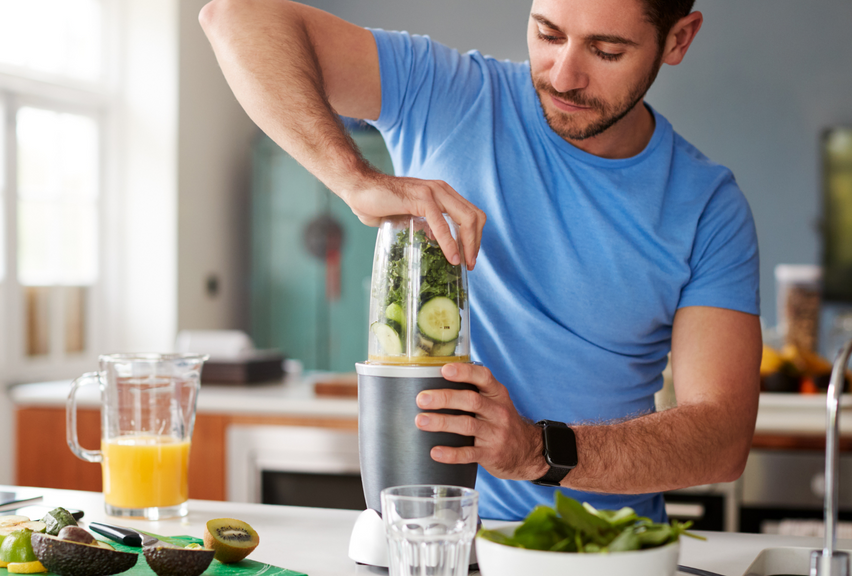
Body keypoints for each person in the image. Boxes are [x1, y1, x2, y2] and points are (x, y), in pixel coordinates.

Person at [200, 0, 761, 522]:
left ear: (678, 39)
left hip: (607, 551)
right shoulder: (447, 91)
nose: (564, 75)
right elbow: (234, 17)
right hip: (432, 543)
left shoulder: (707, 206)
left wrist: (537, 451)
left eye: (607, 50)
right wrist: (355, 180)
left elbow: (721, 438)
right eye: (548, 33)